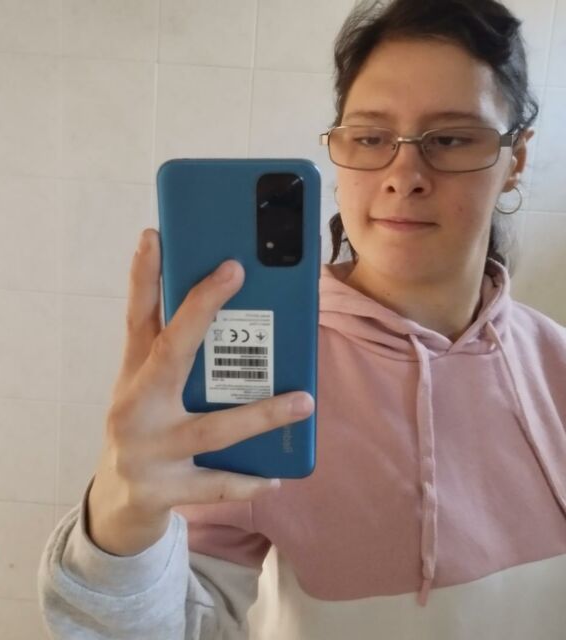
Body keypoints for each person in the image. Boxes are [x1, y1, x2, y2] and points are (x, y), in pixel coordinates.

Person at [38, 0, 566, 637]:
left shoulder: (557, 365)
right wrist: (121, 524)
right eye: (370, 138)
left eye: (451, 139)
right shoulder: (264, 377)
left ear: (516, 158)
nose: (404, 176)